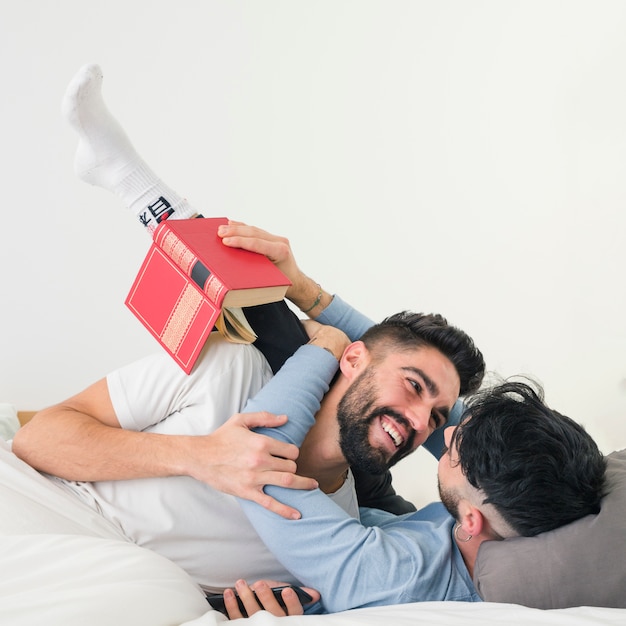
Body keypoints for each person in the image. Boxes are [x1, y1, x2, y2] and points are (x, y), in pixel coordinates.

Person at [12, 65, 485, 599]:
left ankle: (135, 185)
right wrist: (198, 456)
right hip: (53, 517)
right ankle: (135, 185)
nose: (423, 421)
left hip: (127, 589)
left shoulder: (340, 531)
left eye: (437, 417)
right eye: (416, 386)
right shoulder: (232, 370)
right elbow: (37, 437)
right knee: (277, 332)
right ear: (351, 359)